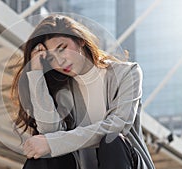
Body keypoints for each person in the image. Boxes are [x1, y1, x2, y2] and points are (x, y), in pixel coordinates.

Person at [11, 14, 155, 169]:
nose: (60, 62)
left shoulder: (127, 73)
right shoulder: (64, 89)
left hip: (126, 163)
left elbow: (118, 125)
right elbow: (50, 132)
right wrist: (37, 74)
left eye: (62, 49)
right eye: (51, 59)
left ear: (80, 40)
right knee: (42, 157)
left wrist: (52, 142)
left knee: (112, 141)